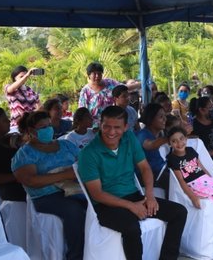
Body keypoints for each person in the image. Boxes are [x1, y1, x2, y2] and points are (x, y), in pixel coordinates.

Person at [78, 106, 187, 260]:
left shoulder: (129, 138)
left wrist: (150, 196)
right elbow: (97, 194)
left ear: (125, 127)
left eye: (117, 127)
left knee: (179, 212)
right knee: (131, 227)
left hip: (134, 195)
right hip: (106, 206)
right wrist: (131, 206)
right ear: (100, 124)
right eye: (106, 126)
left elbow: (145, 168)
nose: (111, 132)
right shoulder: (88, 153)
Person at [12, 111, 86, 260]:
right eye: (43, 127)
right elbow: (30, 180)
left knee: (98, 201)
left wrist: (78, 174)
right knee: (74, 210)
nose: (48, 129)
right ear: (32, 131)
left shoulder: (65, 144)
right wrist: (65, 175)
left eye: (49, 125)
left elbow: (84, 162)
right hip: (47, 196)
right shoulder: (26, 153)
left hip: (75, 188)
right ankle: (76, 256)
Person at [136, 103, 169, 188]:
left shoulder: (159, 134)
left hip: (160, 172)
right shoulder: (142, 134)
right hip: (149, 176)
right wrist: (171, 137)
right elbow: (150, 145)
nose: (165, 119)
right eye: (161, 117)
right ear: (151, 119)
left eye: (165, 116)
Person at [5, 66, 41, 133]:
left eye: (25, 76)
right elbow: (10, 89)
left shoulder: (29, 90)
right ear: (14, 78)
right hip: (16, 126)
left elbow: (39, 105)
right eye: (21, 77)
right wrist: (27, 75)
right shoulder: (9, 87)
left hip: (31, 125)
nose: (24, 78)